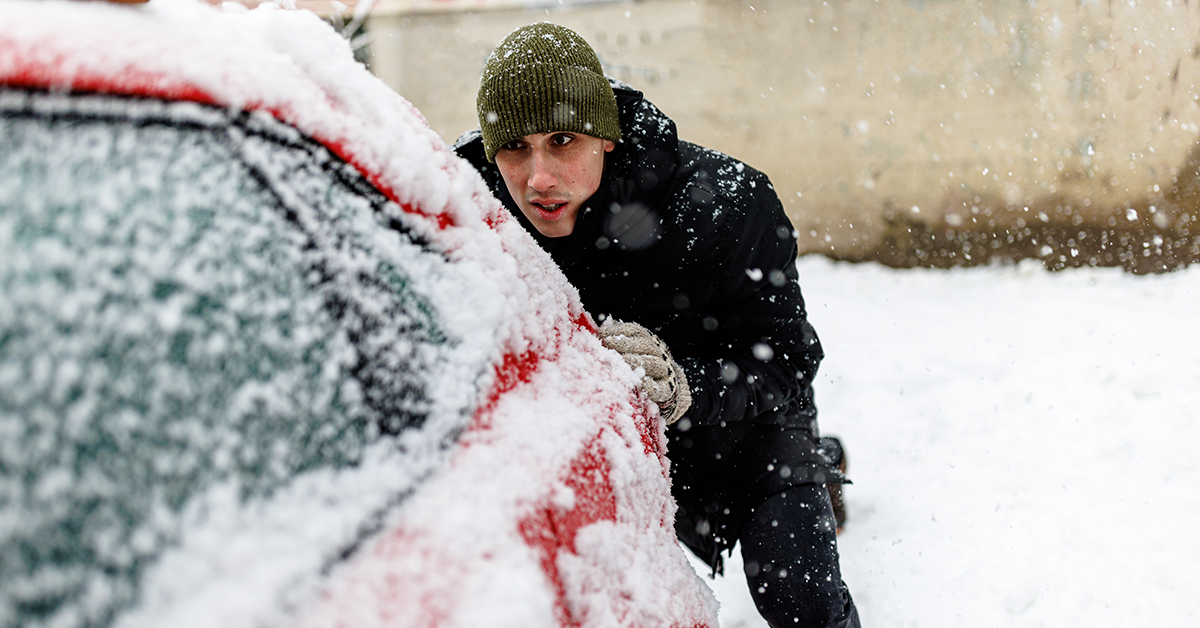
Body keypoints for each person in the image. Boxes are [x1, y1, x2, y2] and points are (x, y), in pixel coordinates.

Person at [454, 23, 860, 628]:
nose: (537, 178)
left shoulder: (727, 202)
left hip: (747, 430)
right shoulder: (475, 214)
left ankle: (815, 472)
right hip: (613, 446)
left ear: (608, 139)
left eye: (562, 140)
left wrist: (687, 384)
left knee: (798, 592)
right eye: (514, 147)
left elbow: (787, 357)